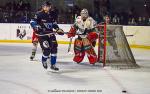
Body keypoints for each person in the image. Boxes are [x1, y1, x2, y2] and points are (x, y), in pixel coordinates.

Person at [30, 1, 64, 71]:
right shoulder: (39, 14)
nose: (46, 7)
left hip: (51, 34)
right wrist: (36, 26)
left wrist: (58, 29)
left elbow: (54, 24)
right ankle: (44, 61)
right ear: (43, 7)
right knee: (47, 50)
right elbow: (32, 22)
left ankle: (53, 65)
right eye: (44, 6)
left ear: (50, 7)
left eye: (47, 6)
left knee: (54, 49)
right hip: (42, 35)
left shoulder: (52, 14)